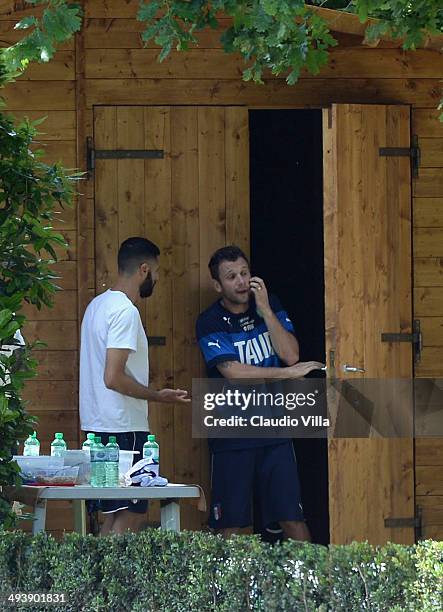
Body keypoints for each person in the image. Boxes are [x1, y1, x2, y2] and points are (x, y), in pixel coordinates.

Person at [196, 245, 324, 540]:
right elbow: (234, 373)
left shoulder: (270, 306)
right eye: (231, 277)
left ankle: (312, 585)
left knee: (292, 517)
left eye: (245, 273)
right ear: (218, 285)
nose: (241, 281)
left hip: (275, 432)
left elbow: (291, 354)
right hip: (232, 434)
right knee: (228, 524)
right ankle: (220, 587)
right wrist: (285, 374)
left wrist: (266, 309)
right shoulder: (210, 321)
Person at [80, 237, 190, 535]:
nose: (157, 278)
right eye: (156, 272)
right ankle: (108, 583)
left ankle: (93, 581)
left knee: (115, 513)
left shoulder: (96, 306)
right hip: (122, 427)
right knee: (131, 513)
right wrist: (158, 396)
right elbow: (113, 377)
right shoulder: (125, 312)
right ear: (143, 269)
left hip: (96, 425)